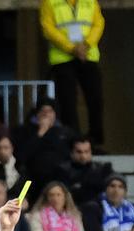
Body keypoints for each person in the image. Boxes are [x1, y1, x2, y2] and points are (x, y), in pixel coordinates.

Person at [41, 0, 105, 146]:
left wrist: (87, 44)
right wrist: (72, 48)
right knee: (68, 101)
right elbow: (48, 28)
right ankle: (72, 140)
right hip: (62, 58)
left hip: (88, 55)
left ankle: (96, 140)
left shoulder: (90, 1)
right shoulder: (50, 2)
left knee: (95, 98)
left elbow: (98, 23)